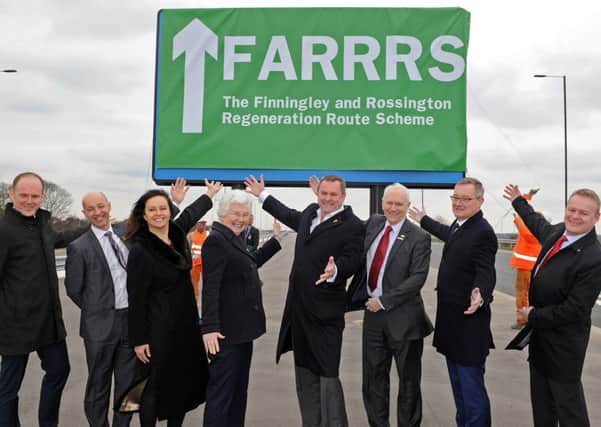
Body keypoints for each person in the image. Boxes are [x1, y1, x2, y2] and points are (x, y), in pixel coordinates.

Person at [64, 179, 189, 427]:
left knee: (129, 386)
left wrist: (173, 201)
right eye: (91, 209)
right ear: (85, 213)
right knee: (99, 386)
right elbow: (74, 290)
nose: (98, 212)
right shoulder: (78, 248)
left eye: (101, 206)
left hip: (131, 325)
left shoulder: (128, 233)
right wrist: (98, 309)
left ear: (109, 206)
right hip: (99, 327)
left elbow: (156, 217)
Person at [245, 174, 364, 427]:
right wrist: (262, 195)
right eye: (324, 193)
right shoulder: (310, 213)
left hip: (326, 315)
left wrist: (337, 271)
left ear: (343, 196)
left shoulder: (352, 225)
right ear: (317, 194)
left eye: (333, 194)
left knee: (328, 376)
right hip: (299, 313)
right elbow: (288, 214)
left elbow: (354, 258)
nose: (328, 199)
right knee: (305, 376)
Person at [124, 178, 222, 427]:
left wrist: (209, 195)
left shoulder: (177, 235)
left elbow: (190, 214)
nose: (158, 213)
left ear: (169, 211)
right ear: (143, 216)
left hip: (185, 326)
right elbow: (136, 298)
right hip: (158, 329)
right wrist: (138, 339)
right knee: (153, 389)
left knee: (181, 385)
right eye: (152, 210)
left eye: (163, 208)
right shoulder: (141, 249)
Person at [503, 185, 601, 427]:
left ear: (596, 217)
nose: (575, 216)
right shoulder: (557, 232)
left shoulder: (594, 258)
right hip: (540, 344)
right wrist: (518, 201)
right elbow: (534, 221)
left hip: (564, 349)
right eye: (572, 209)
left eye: (584, 213)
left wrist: (533, 314)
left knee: (570, 412)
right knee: (543, 410)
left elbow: (576, 309)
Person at [0, 171, 87, 427]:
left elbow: (60, 238)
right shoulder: (4, 231)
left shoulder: (42, 226)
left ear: (43, 197)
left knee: (60, 370)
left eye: (35, 196)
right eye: (23, 195)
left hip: (48, 323)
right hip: (14, 325)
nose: (29, 200)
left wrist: (94, 224)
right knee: (8, 388)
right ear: (11, 194)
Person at [408, 177, 497, 427]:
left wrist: (481, 292)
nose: (458, 203)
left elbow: (486, 270)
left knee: (471, 394)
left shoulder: (483, 232)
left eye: (465, 199)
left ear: (480, 201)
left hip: (469, 327)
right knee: (459, 391)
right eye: (455, 198)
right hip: (453, 324)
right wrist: (424, 220)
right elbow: (448, 233)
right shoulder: (462, 226)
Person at [346, 183, 432, 427]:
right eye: (389, 203)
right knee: (373, 380)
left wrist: (384, 301)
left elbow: (417, 278)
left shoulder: (420, 237)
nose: (393, 208)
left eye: (399, 204)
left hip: (404, 318)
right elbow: (346, 228)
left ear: (407, 206)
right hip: (373, 318)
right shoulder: (373, 224)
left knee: (408, 383)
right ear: (382, 203)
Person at [201, 190, 282, 427]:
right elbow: (210, 288)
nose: (241, 218)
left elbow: (248, 263)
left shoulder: (233, 237)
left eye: (245, 214)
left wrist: (275, 241)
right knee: (222, 397)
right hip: (225, 334)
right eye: (236, 214)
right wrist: (209, 328)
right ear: (223, 213)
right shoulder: (216, 240)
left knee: (238, 393)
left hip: (241, 332)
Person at [508, 189, 541, 329]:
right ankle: (531, 318)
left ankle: (523, 320)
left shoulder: (532, 232)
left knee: (522, 294)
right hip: (532, 268)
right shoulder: (541, 230)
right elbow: (527, 211)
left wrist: (517, 218)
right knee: (532, 294)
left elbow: (524, 229)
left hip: (525, 267)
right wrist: (528, 197)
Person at [187, 220, 208, 299]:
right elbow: (187, 249)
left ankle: (206, 297)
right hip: (194, 262)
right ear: (196, 225)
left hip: (205, 262)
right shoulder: (191, 235)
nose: (202, 225)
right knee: (194, 281)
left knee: (207, 281)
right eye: (200, 224)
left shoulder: (208, 235)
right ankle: (195, 297)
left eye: (203, 224)